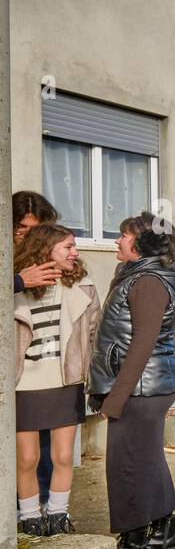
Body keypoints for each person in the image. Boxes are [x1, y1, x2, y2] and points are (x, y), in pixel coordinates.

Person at [87, 212, 175, 549]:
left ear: (141, 244)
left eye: (123, 235)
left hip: (140, 387)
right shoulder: (141, 276)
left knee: (128, 466)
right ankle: (163, 535)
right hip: (145, 386)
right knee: (147, 460)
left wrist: (115, 398)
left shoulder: (147, 282)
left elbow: (142, 345)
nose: (118, 241)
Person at [12, 224, 100, 535]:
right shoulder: (15, 287)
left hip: (67, 380)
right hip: (24, 384)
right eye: (68, 247)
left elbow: (93, 333)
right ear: (44, 250)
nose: (75, 252)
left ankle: (58, 515)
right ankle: (30, 517)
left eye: (74, 246)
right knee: (27, 457)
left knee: (63, 455)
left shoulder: (83, 286)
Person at [13, 191, 62, 509]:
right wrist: (17, 281)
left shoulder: (47, 261)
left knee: (42, 442)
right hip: (12, 370)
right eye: (22, 229)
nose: (29, 237)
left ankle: (39, 507)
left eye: (37, 230)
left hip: (41, 370)